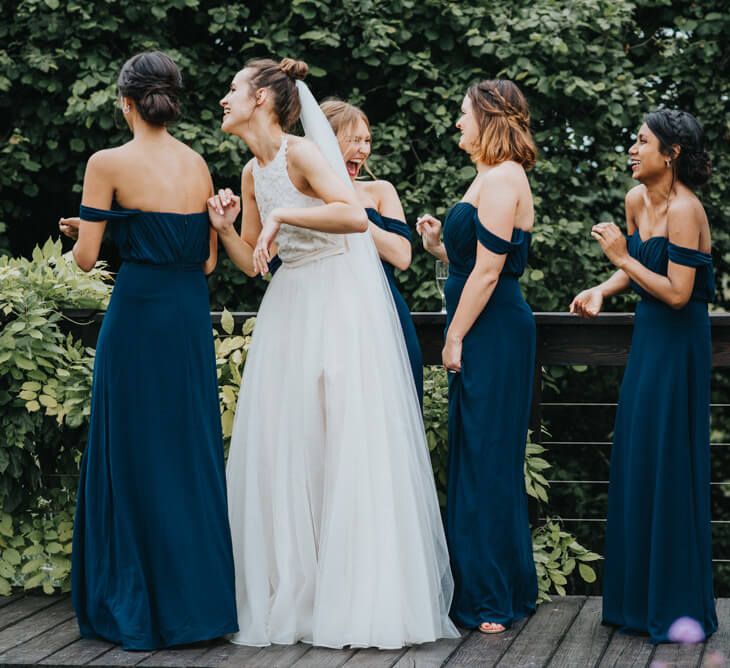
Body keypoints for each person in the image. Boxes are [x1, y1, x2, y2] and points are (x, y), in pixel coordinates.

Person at [210, 56, 457, 648]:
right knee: (287, 448)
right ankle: (301, 594)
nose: (225, 97)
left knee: (343, 444)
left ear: (263, 100)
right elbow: (253, 263)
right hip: (288, 308)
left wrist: (284, 216)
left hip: (336, 308)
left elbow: (350, 213)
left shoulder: (301, 154)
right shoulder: (250, 171)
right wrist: (226, 228)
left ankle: (359, 599)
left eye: (234, 89)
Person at [60, 51, 238, 650]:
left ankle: (134, 606)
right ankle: (197, 607)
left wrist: (94, 226)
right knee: (186, 453)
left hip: (136, 321)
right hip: (186, 321)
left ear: (127, 102)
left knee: (132, 453)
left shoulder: (106, 162)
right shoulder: (199, 164)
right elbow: (207, 259)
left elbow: (86, 259)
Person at [571, 109, 717, 643]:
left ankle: (677, 605)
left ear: (671, 153)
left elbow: (678, 293)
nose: (632, 149)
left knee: (670, 460)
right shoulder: (637, 201)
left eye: (642, 141)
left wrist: (620, 259)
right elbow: (635, 264)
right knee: (637, 455)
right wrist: (601, 289)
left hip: (680, 346)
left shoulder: (686, 210)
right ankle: (637, 604)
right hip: (647, 340)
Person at [417, 79, 538, 634]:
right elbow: (471, 260)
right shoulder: (487, 176)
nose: (457, 123)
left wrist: (454, 336)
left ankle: (493, 600)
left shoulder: (506, 177)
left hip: (492, 332)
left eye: (463, 113)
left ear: (488, 116)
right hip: (483, 324)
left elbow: (491, 272)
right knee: (477, 455)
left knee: (489, 457)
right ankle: (500, 584)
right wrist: (438, 244)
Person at [319, 98, 423, 404]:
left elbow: (402, 256)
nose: (363, 150)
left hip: (384, 313)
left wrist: (353, 214)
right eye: (353, 140)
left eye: (367, 141)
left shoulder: (379, 191)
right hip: (329, 316)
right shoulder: (305, 197)